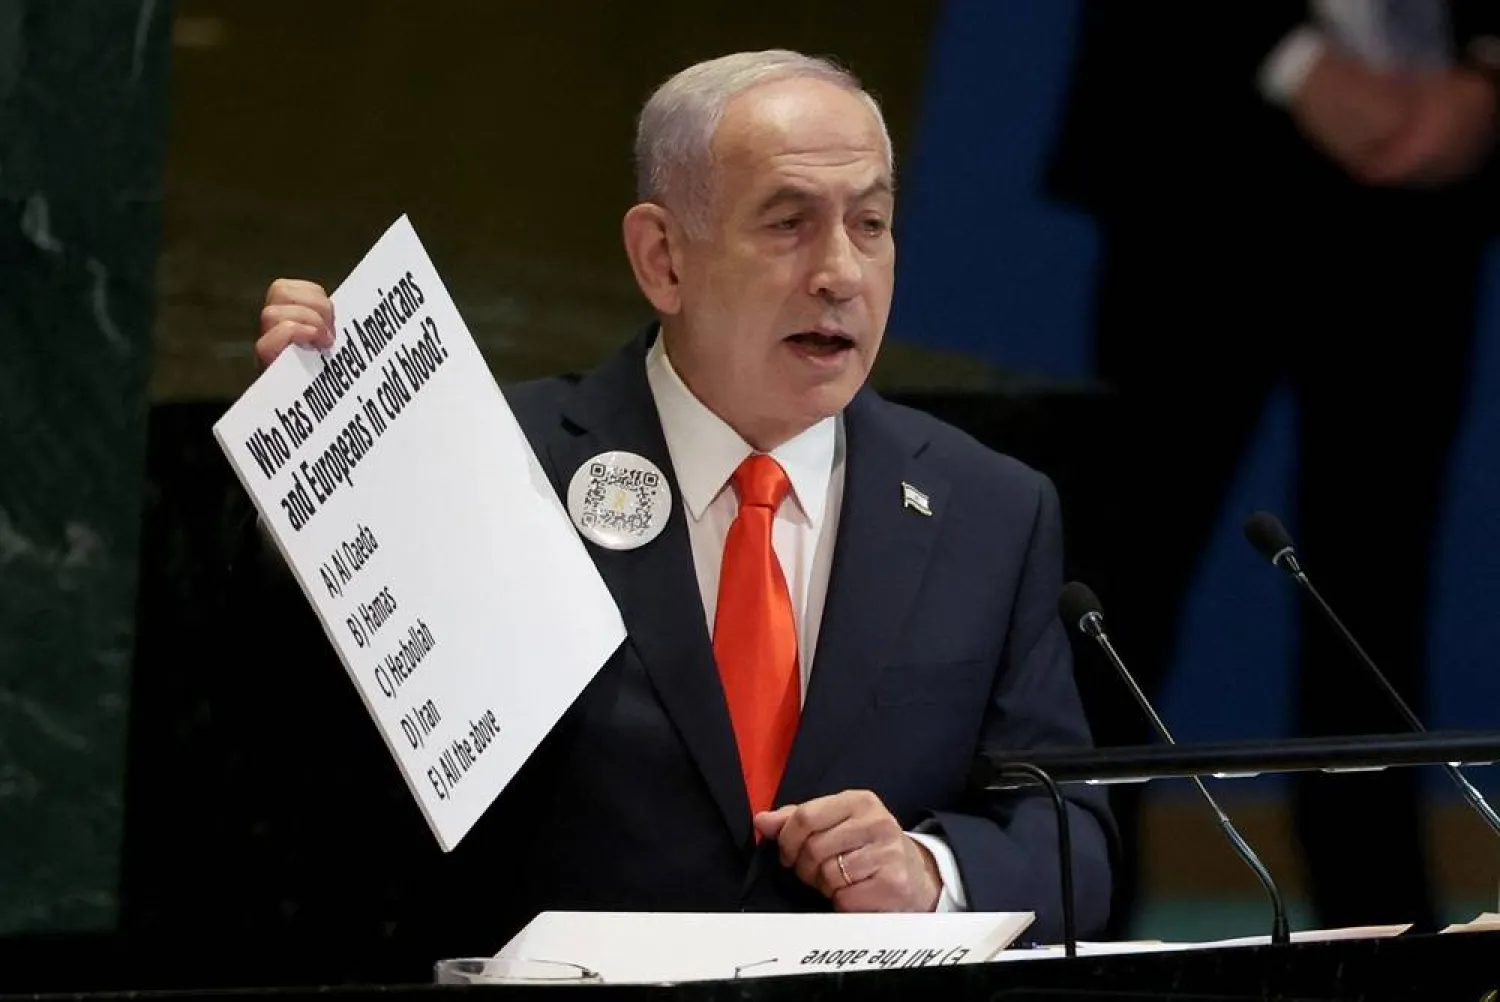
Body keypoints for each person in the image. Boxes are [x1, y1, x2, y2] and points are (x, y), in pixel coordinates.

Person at [249, 50, 1113, 963]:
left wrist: (930, 872)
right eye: (788, 224)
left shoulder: (990, 511)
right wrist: (319, 451)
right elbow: (309, 757)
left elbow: (1074, 845)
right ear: (663, 259)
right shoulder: (499, 463)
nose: (840, 272)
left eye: (870, 224)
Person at [1045, 1, 1499, 937]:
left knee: (1377, 590)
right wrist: (1291, 60)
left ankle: (1384, 934)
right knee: (1125, 574)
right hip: (1196, 156)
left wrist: (1489, 75)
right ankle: (1075, 916)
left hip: (1430, 185)